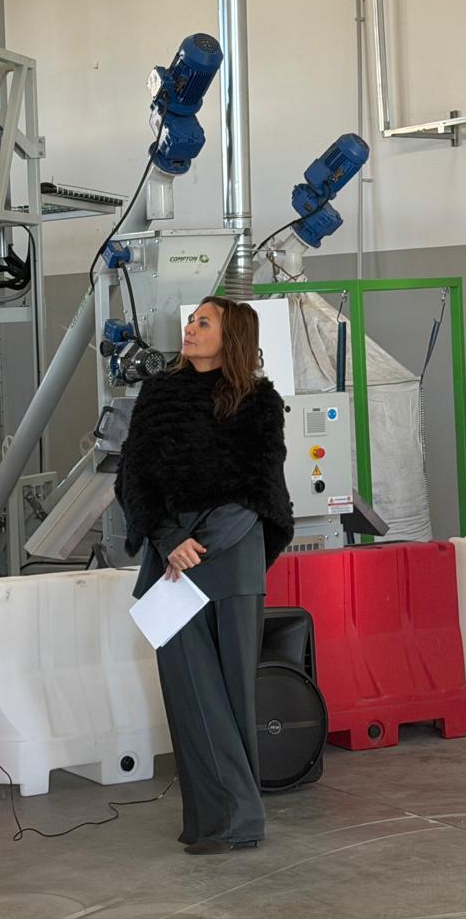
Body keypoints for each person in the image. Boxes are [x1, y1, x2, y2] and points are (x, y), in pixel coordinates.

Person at [114, 296, 294, 855]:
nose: (190, 328)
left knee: (232, 693)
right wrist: (170, 540)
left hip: (231, 558)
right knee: (190, 691)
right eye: (191, 321)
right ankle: (219, 819)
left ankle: (234, 819)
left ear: (231, 335)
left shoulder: (259, 401)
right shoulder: (159, 394)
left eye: (203, 322)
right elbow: (133, 479)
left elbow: (260, 488)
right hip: (175, 558)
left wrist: (200, 547)